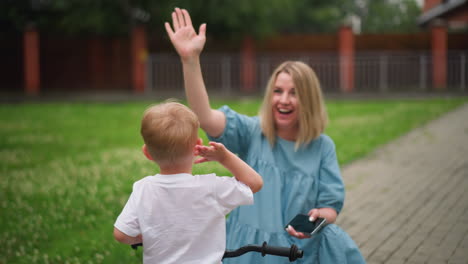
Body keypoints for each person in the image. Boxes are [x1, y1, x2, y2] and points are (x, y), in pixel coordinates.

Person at [165, 8, 366, 263]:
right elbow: (204, 116)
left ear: (309, 100)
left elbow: (331, 205)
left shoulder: (322, 147)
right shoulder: (252, 132)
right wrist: (190, 60)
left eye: (294, 93)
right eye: (278, 91)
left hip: (296, 251)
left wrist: (318, 217)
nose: (284, 100)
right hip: (249, 249)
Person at [113, 101, 263, 264]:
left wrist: (142, 238)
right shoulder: (211, 188)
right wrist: (224, 157)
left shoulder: (143, 188)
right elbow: (255, 183)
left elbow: (121, 234)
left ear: (147, 153)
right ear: (197, 146)